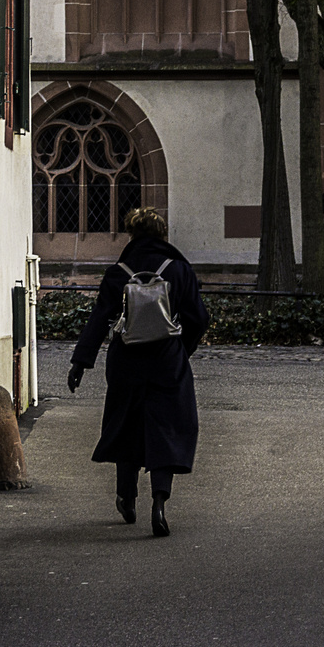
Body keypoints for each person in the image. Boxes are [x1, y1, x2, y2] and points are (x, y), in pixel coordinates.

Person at [67, 207, 208, 537]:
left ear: (132, 234)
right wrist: (181, 348)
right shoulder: (179, 270)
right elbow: (198, 318)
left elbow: (99, 320)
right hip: (167, 362)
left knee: (126, 425)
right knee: (168, 427)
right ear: (162, 234)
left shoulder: (118, 273)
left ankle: (126, 497)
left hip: (126, 362)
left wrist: (80, 362)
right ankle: (159, 502)